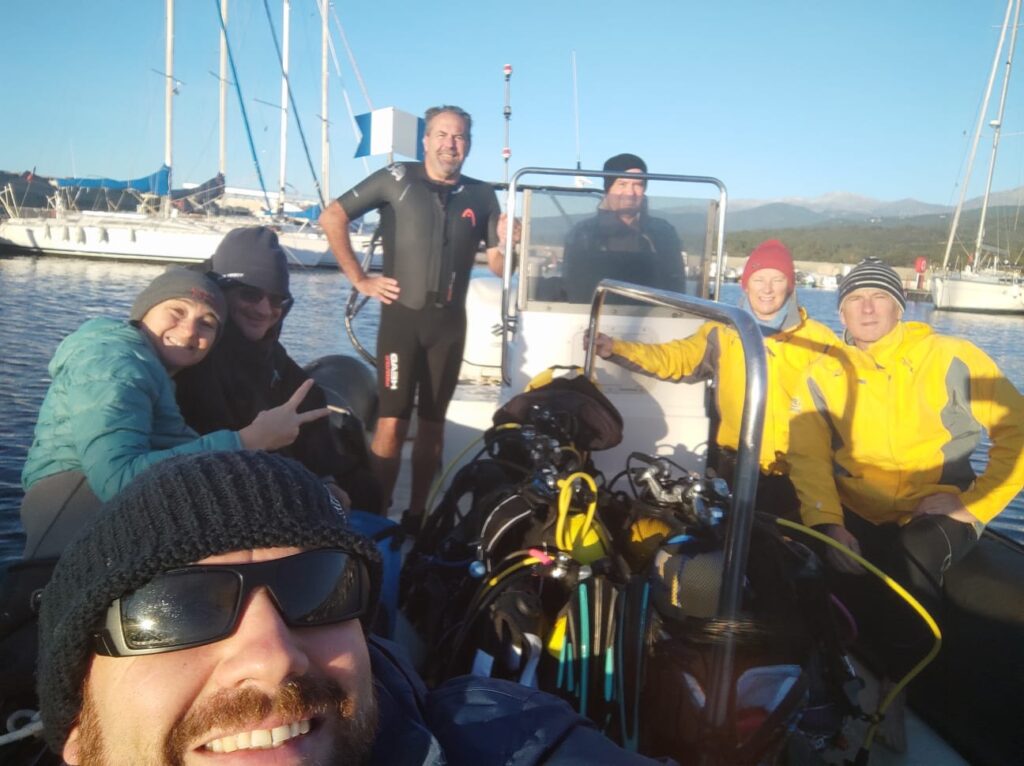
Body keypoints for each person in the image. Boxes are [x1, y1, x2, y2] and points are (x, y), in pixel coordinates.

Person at [34, 450, 670, 765]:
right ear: (77, 731)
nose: (272, 657)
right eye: (178, 608)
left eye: (317, 588)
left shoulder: (511, 741)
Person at [18, 268, 326, 560]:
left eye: (207, 323)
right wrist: (247, 440)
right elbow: (116, 477)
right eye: (176, 311)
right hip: (71, 504)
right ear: (144, 313)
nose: (189, 330)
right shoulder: (114, 363)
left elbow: (178, 452)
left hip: (113, 506)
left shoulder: (155, 370)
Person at [788, 255, 1024, 600]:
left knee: (915, 555)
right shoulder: (820, 375)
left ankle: (923, 635)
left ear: (899, 308)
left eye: (880, 296)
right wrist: (829, 524)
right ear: (842, 313)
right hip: (860, 506)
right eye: (855, 298)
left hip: (937, 506)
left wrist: (974, 504)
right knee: (788, 551)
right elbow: (808, 458)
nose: (867, 308)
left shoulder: (950, 357)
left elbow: (1017, 431)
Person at [319, 105, 506, 520]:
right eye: (441, 134)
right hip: (402, 322)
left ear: (469, 144)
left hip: (449, 326)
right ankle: (378, 514)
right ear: (425, 140)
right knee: (392, 421)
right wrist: (360, 279)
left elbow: (497, 266)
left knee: (434, 425)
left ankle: (418, 514)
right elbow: (332, 216)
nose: (450, 144)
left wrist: (511, 244)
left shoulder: (482, 195)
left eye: (459, 136)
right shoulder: (396, 178)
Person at [589, 239, 837, 516]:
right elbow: (676, 359)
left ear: (790, 286)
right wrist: (615, 349)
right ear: (745, 285)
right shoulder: (723, 331)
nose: (767, 289)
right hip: (735, 465)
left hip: (797, 474)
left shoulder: (820, 340)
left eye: (777, 279)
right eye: (759, 279)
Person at [175, 226, 381, 513]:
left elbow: (307, 399)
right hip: (225, 484)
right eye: (250, 294)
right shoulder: (196, 354)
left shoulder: (268, 349)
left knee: (366, 490)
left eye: (276, 300)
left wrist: (326, 478)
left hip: (277, 466)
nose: (264, 310)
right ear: (222, 291)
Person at [562, 153, 686, 303]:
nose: (630, 192)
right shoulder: (583, 233)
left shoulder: (663, 232)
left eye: (638, 185)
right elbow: (574, 288)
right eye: (622, 184)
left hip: (654, 313)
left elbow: (676, 286)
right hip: (595, 312)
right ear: (608, 188)